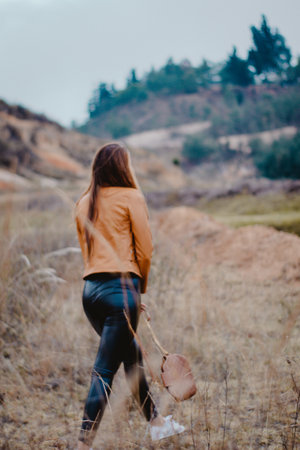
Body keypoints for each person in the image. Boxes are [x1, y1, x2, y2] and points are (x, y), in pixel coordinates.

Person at [74, 142, 185, 449]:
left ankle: (157, 423)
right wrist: (136, 289)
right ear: (123, 166)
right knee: (104, 371)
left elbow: (89, 253)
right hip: (121, 291)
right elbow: (145, 249)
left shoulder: (84, 201)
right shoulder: (131, 196)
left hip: (91, 293)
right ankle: (84, 443)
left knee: (131, 354)